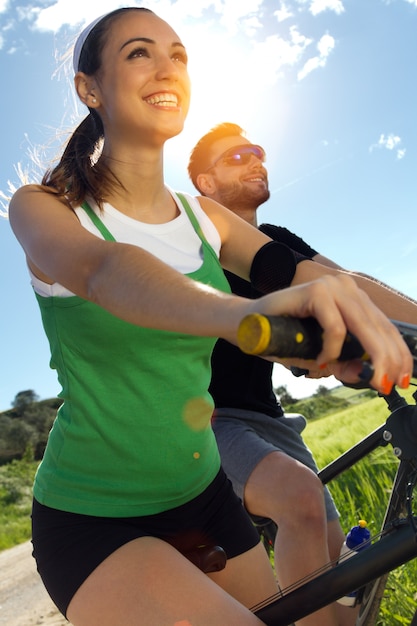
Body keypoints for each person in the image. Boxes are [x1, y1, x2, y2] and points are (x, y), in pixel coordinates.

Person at [8, 10, 412, 626]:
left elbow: (325, 278)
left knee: (321, 619)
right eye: (140, 53)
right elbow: (104, 272)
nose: (168, 66)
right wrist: (245, 314)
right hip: (95, 516)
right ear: (91, 89)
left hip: (202, 494)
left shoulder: (206, 219)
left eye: (179, 54)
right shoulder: (47, 207)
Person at [187, 122, 417, 626]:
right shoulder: (193, 244)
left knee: (338, 579)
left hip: (269, 420)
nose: (255, 161)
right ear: (204, 183)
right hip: (205, 419)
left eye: (258, 152)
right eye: (237, 157)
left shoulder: (274, 241)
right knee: (299, 499)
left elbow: (345, 283)